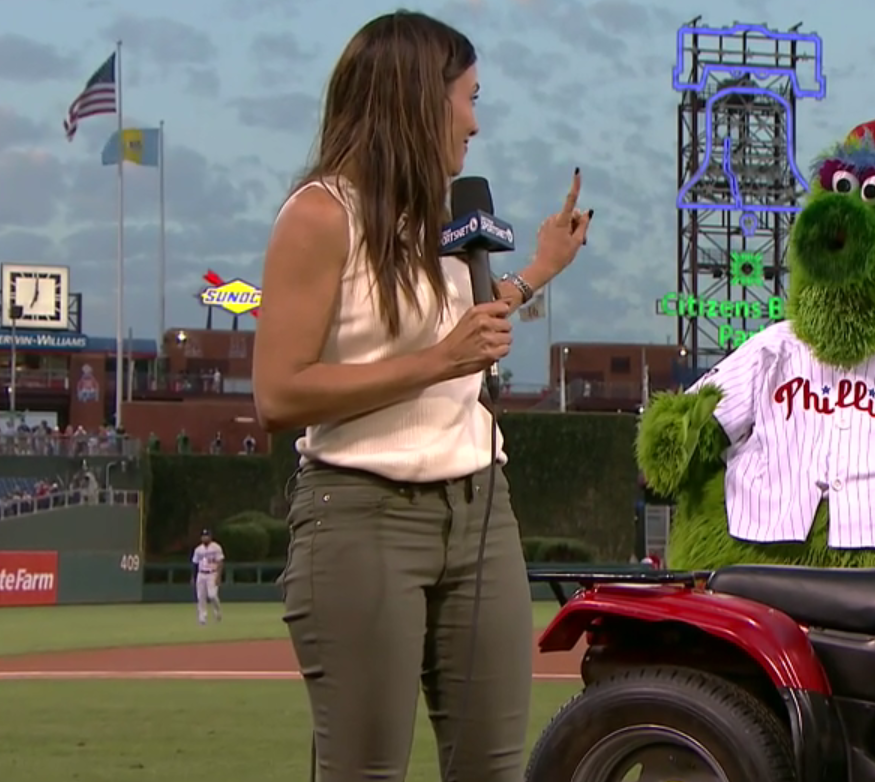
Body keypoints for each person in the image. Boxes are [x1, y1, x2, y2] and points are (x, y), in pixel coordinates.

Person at [251, 11, 592, 782]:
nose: (475, 122)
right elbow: (278, 392)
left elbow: (458, 327)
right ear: (416, 98)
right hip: (362, 514)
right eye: (468, 98)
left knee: (493, 770)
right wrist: (439, 362)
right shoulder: (321, 213)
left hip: (481, 510)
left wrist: (540, 269)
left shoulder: (443, 217)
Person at [191, 529, 225, 624]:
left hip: (212, 573)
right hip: (201, 573)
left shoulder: (216, 547)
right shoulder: (198, 549)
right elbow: (195, 563)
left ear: (210, 537)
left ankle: (217, 611)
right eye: (203, 536)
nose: (205, 538)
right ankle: (202, 616)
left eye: (206, 536)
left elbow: (220, 562)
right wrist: (193, 576)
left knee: (212, 595)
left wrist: (219, 576)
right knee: (200, 596)